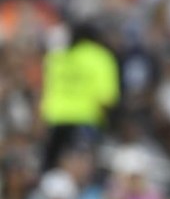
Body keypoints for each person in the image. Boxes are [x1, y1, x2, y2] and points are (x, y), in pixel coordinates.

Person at [39, 22, 120, 170]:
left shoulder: (56, 57)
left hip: (55, 119)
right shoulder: (100, 57)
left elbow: (44, 89)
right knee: (83, 167)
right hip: (86, 119)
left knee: (54, 166)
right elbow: (107, 99)